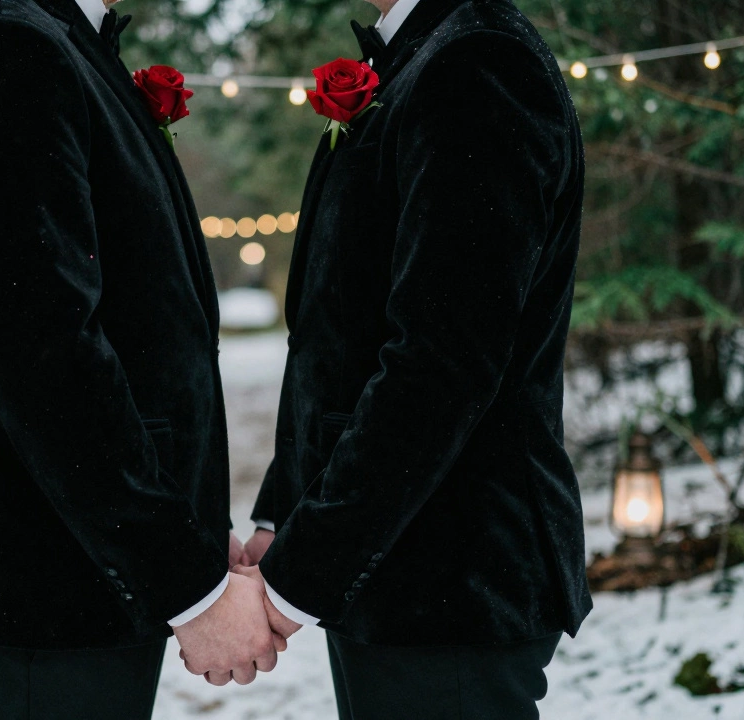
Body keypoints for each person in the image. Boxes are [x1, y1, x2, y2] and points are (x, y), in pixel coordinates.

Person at [0, 0, 279, 717]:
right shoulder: (5, 47)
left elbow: (135, 332)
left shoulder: (60, 41)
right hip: (40, 577)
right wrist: (179, 580)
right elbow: (43, 357)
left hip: (79, 569)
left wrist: (187, 531)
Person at [238, 0, 593, 717]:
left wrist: (300, 576)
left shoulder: (479, 61)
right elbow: (338, 340)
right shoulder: (417, 56)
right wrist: (285, 511)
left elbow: (441, 362)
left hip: (455, 572)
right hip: (400, 569)